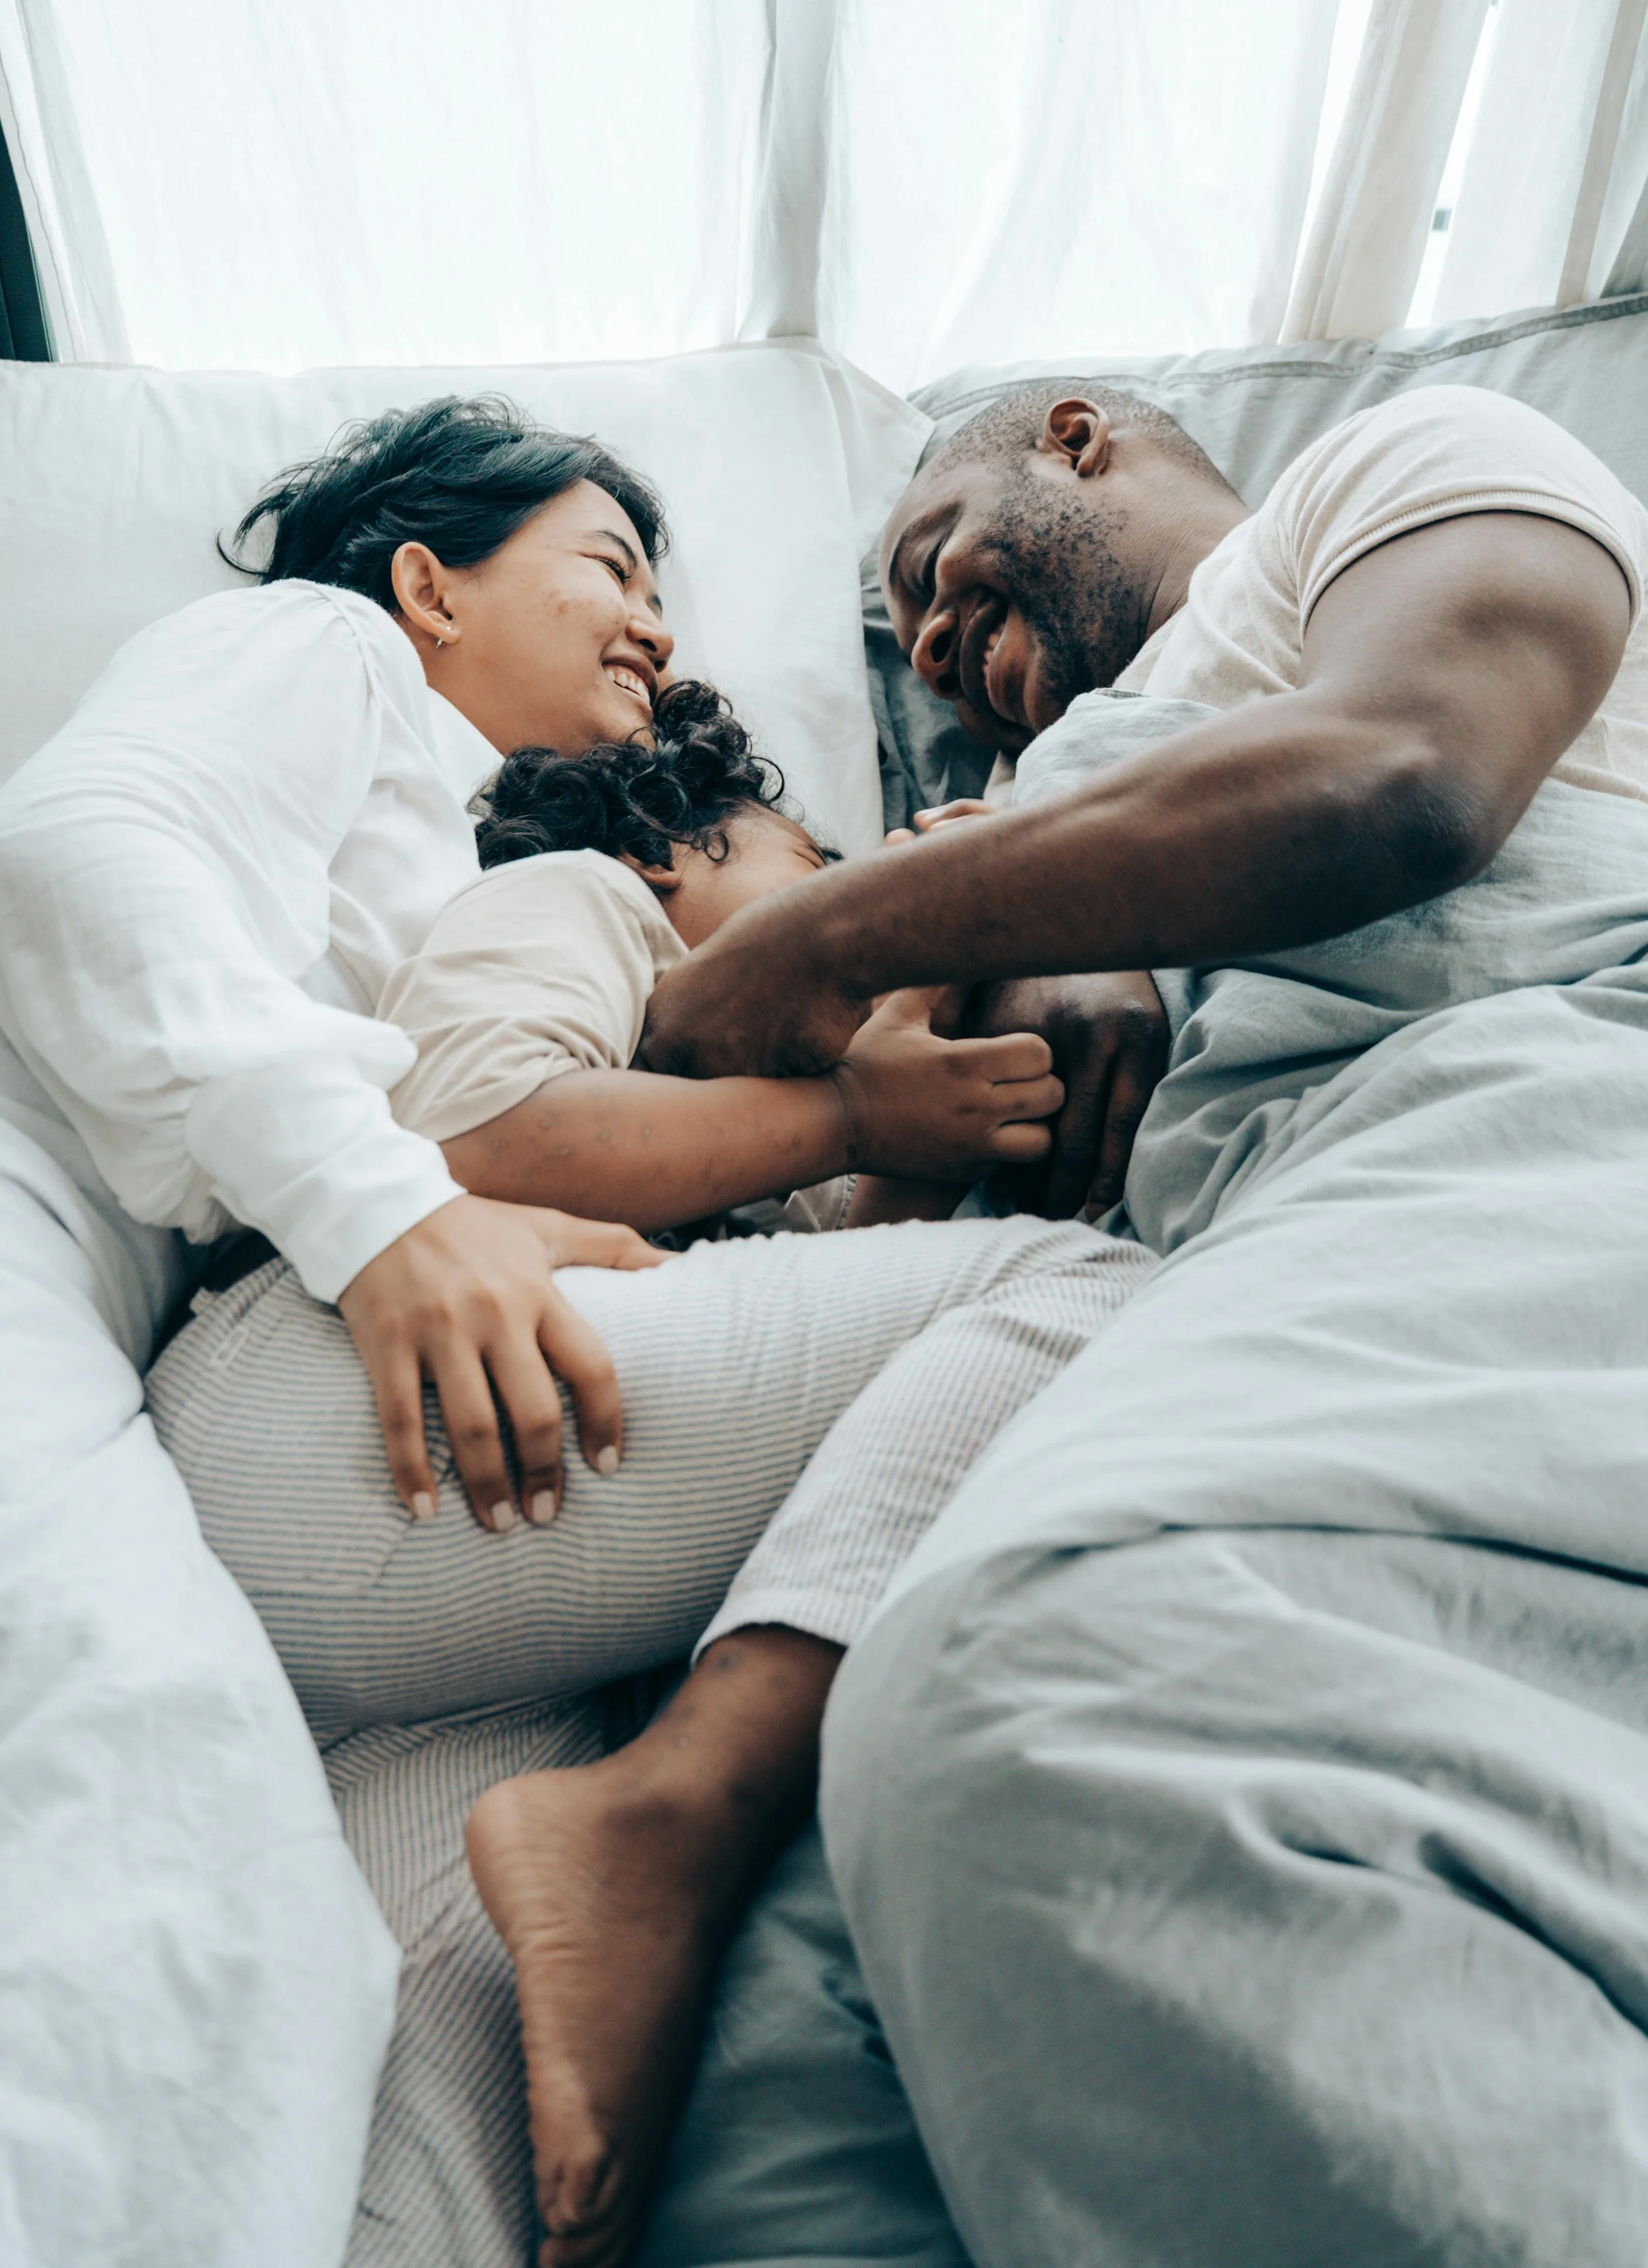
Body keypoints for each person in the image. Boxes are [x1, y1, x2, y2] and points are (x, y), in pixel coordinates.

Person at [634, 380, 1648, 2266]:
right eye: (910, 642)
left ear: (1075, 439)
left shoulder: (1404, 468)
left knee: (1036, 1717)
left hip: (1544, 1079)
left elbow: (1403, 771)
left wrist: (816, 934)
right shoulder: (1054, 797)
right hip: (1245, 1249)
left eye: (931, 563)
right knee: (781, 2111)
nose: (932, 646)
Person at [146, 698, 1156, 2267]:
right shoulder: (587, 896)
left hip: (455, 1608)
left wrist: (931, 992)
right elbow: (478, 1126)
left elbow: (824, 1368)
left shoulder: (741, 1161)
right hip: (342, 1415)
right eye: (808, 856)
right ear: (674, 843)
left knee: (456, 2127)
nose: (844, 888)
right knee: (1089, 1296)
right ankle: (669, 1811)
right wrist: (851, 1102)